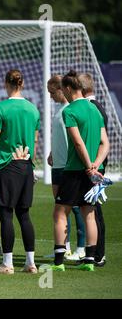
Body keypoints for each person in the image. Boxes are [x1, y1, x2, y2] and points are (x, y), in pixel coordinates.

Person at [0, 69, 40, 274]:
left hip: (7, 165)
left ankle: (7, 263)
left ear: (6, 83)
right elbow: (35, 140)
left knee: (5, 214)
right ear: (21, 84)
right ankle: (30, 263)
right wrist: (30, 161)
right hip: (26, 165)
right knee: (24, 214)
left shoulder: (1, 107)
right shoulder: (33, 109)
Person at [50, 70, 109, 272]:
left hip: (75, 170)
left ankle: (58, 262)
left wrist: (87, 165)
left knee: (60, 213)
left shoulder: (70, 110)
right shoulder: (95, 109)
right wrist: (95, 165)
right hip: (95, 171)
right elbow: (105, 143)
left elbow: (77, 142)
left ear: (67, 88)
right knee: (89, 214)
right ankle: (90, 262)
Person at [46, 75, 86, 261]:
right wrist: (53, 153)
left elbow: (75, 139)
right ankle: (65, 247)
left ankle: (81, 248)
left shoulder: (70, 110)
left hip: (69, 167)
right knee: (61, 209)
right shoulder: (58, 111)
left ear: (62, 89)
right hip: (58, 165)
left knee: (76, 207)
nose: (51, 96)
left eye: (52, 92)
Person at [77, 72, 109, 267]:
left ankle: (98, 253)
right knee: (92, 209)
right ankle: (96, 253)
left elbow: (100, 141)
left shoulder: (92, 108)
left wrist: (95, 165)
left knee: (94, 210)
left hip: (94, 168)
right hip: (96, 166)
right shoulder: (97, 108)